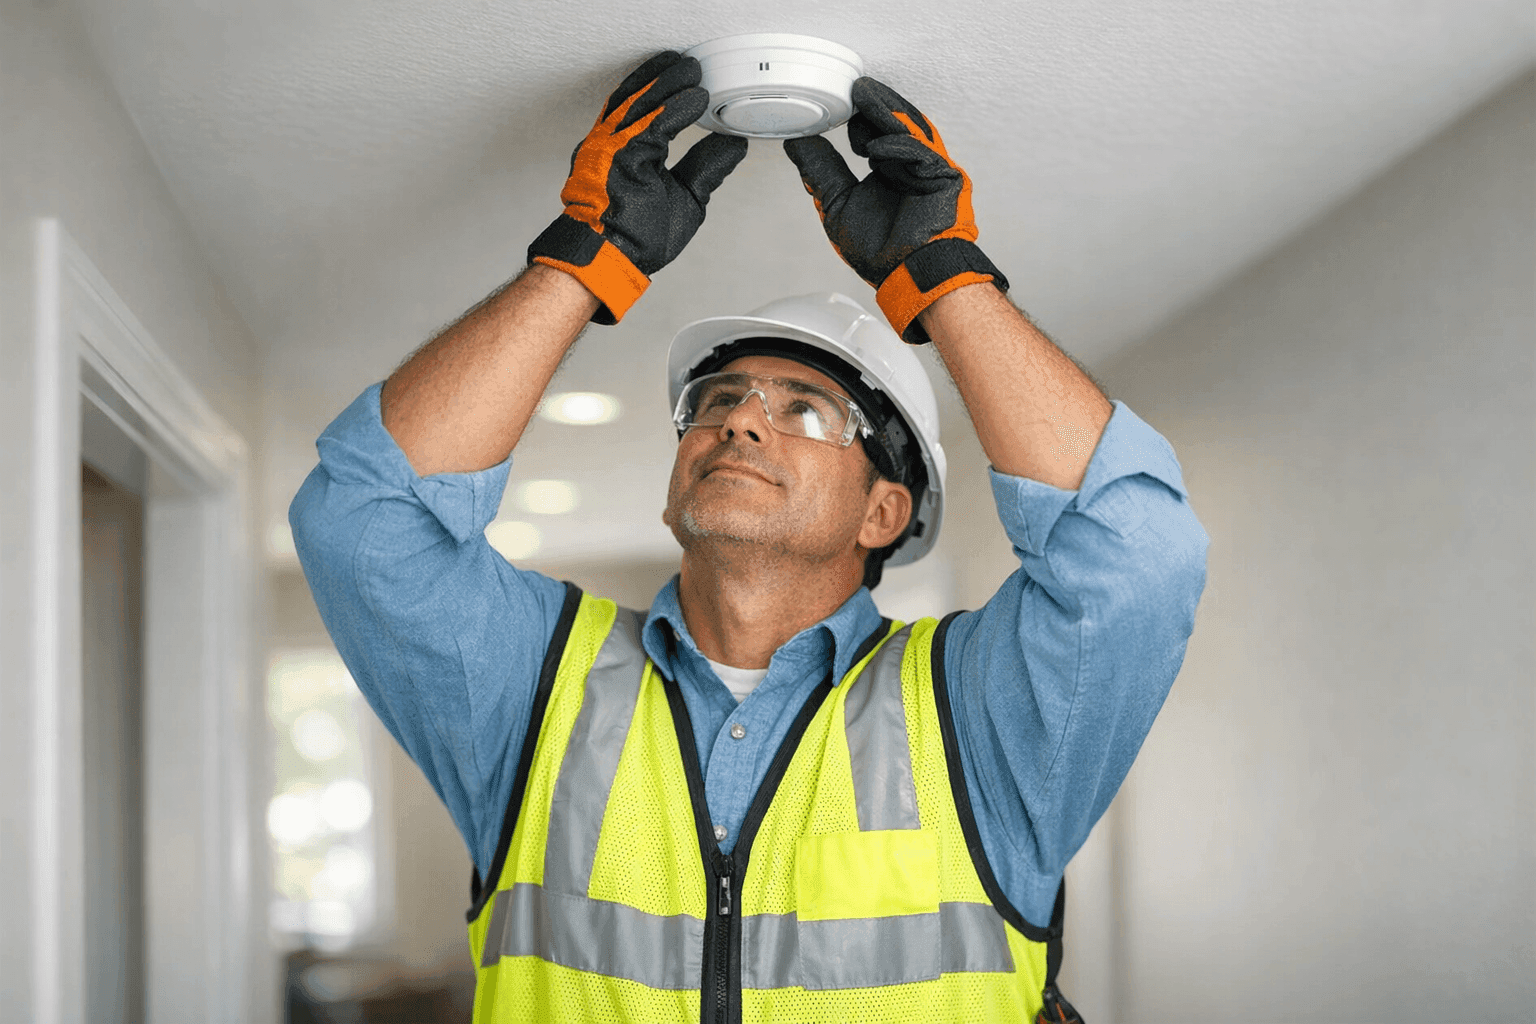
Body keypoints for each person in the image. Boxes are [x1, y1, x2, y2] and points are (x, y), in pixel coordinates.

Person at [291, 50, 1207, 1024]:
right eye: (717, 399)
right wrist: (580, 262)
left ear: (883, 513)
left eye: (806, 409)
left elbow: (1136, 553)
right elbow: (361, 519)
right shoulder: (533, 685)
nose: (739, 421)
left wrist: (944, 278)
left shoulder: (973, 715)